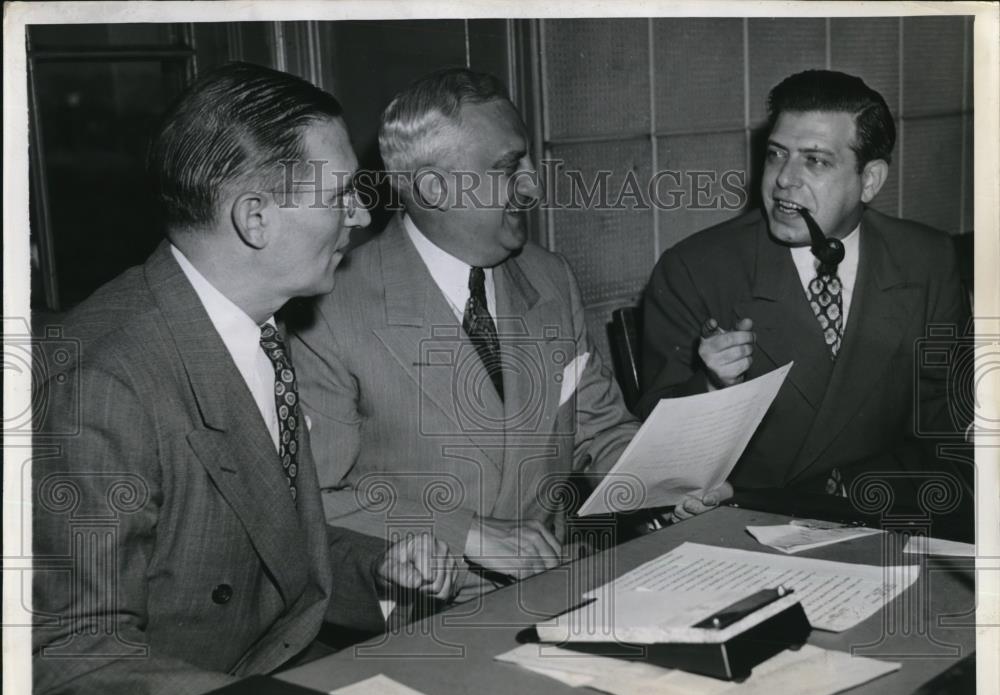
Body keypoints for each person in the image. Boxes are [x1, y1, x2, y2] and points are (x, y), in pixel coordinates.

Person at [32, 62, 459, 695]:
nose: (362, 212)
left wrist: (377, 569)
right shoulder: (102, 385)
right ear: (256, 217)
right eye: (340, 193)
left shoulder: (251, 325)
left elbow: (259, 545)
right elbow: (76, 657)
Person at [289, 68, 729, 599]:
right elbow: (311, 498)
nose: (534, 184)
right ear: (433, 188)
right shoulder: (329, 308)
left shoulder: (550, 278)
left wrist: (670, 483)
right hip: (420, 613)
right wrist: (466, 534)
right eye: (508, 167)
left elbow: (600, 431)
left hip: (564, 587)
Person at [638, 70, 970, 503]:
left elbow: (949, 424)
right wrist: (710, 388)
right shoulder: (694, 269)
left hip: (892, 509)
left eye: (815, 160)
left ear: (870, 180)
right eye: (777, 154)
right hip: (748, 523)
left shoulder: (926, 259)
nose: (784, 180)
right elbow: (654, 459)